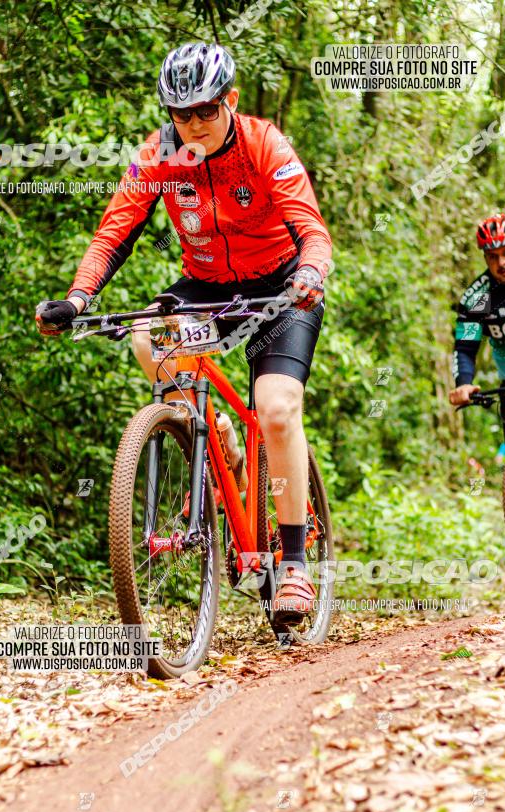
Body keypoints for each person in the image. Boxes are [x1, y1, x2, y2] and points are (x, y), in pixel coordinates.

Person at [35, 42, 333, 623]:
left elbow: (311, 228)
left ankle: (294, 562)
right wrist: (77, 298)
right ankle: (209, 428)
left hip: (282, 285)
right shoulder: (160, 155)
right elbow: (113, 233)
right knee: (149, 335)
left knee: (275, 408)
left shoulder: (264, 143)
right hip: (207, 284)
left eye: (205, 110)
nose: (193, 124)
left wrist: (310, 272)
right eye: (181, 113)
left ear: (231, 100)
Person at [449, 212, 505, 450]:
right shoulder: (480, 298)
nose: (501, 263)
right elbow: (465, 346)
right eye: (492, 257)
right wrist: (464, 383)